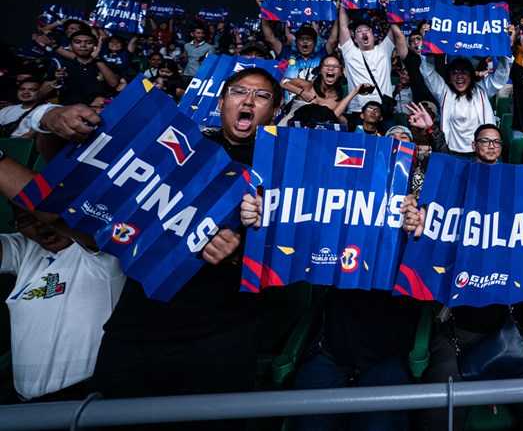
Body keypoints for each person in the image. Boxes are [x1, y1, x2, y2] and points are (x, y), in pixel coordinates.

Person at [93, 68, 283, 431]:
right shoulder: (180, 145)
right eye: (239, 92)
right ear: (222, 101)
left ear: (274, 110)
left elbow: (292, 250)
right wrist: (48, 119)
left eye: (261, 96)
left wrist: (240, 254)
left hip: (221, 333)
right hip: (139, 326)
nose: (248, 101)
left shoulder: (285, 168)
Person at [239, 185, 427, 431]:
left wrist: (420, 234)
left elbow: (436, 262)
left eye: (403, 142)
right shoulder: (335, 192)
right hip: (331, 347)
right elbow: (296, 225)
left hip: (389, 353)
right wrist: (266, 215)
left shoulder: (419, 203)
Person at [419, 164, 523, 431]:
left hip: (507, 335)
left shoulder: (515, 230)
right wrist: (417, 226)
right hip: (454, 336)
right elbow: (422, 253)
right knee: (438, 414)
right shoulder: (448, 228)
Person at [0, 195, 123, 402]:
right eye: (27, 220)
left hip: (87, 398)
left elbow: (62, 218)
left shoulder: (101, 251)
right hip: (27, 405)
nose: (39, 226)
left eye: (41, 214)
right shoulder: (27, 250)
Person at [420, 55, 511, 155]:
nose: (459, 76)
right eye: (455, 73)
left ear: (471, 76)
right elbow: (428, 73)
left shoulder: (482, 90)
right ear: (449, 78)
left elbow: (500, 77)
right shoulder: (444, 92)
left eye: (464, 72)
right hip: (452, 153)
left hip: (480, 154)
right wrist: (427, 51)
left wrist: (504, 55)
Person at [337, 0, 405, 124]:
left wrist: (388, 7)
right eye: (359, 31)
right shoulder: (350, 51)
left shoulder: (384, 48)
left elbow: (395, 28)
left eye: (367, 30)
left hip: (383, 110)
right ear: (355, 39)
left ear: (373, 35)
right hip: (358, 111)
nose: (363, 33)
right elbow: (343, 27)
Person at [56, 27, 119, 106]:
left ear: (94, 46)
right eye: (77, 42)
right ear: (70, 46)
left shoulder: (106, 64)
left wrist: (96, 59)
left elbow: (114, 83)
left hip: (101, 109)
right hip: (71, 111)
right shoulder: (62, 65)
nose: (83, 45)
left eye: (89, 42)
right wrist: (58, 80)